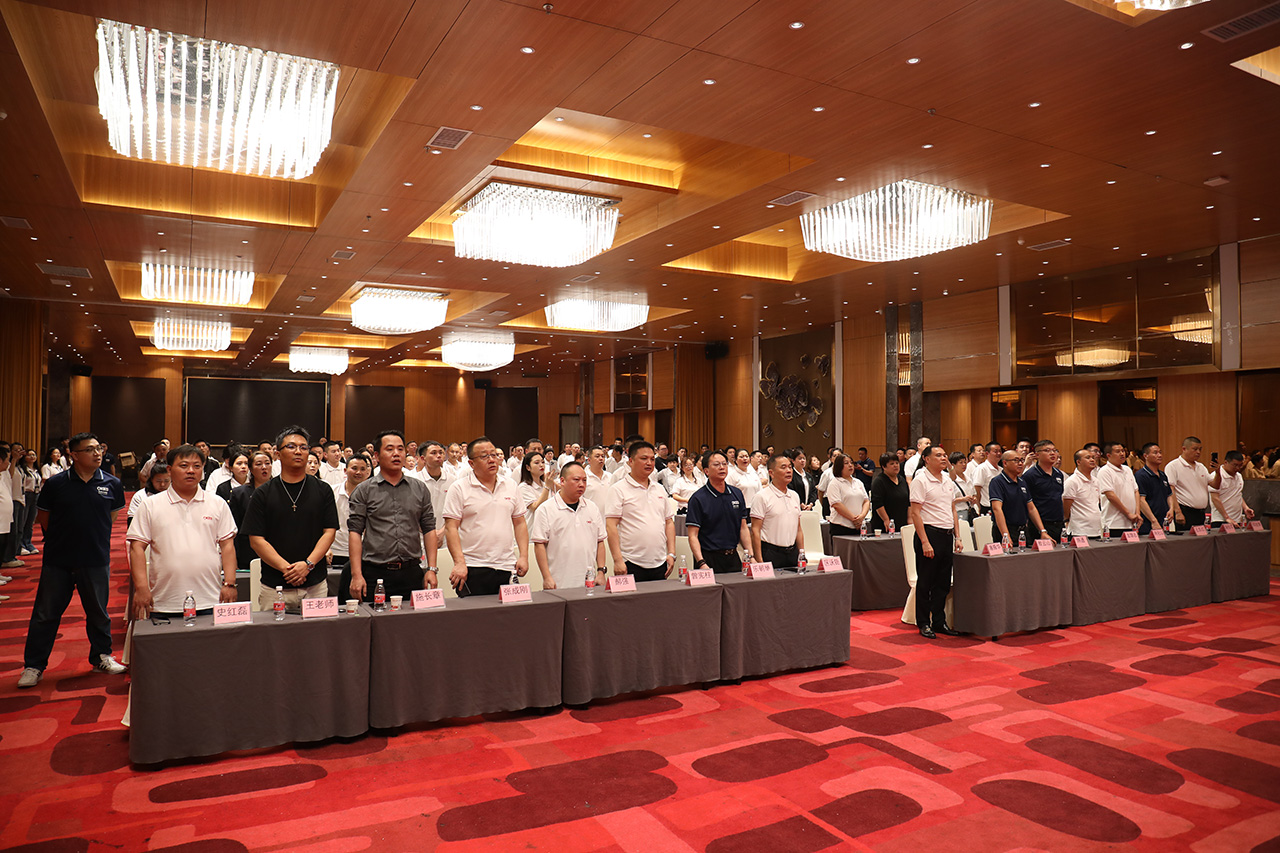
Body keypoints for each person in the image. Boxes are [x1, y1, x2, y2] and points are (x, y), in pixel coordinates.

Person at [18, 433, 126, 688]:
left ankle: (102, 656)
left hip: (95, 559)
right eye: (89, 450)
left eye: (98, 448)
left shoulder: (112, 483)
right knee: (45, 614)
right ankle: (34, 665)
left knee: (98, 612)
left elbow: (111, 517)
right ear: (74, 455)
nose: (97, 453)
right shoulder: (56, 484)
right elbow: (44, 518)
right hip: (59, 560)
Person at [126, 444, 237, 619]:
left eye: (197, 466)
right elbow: (137, 548)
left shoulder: (217, 503)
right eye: (184, 466)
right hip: (164, 600)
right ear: (170, 470)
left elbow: (227, 545)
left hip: (210, 598)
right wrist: (141, 588)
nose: (191, 471)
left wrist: (229, 584)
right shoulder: (150, 505)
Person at [242, 427, 339, 612]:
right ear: (278, 454)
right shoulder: (263, 493)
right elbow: (256, 540)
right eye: (291, 446)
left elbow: (329, 532)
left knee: (318, 630)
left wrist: (308, 565)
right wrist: (287, 569)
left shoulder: (323, 489)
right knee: (273, 631)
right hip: (275, 586)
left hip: (315, 584)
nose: (298, 451)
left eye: (303, 447)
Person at [346, 430, 439, 601]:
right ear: (376, 456)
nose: (396, 454)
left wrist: (431, 569)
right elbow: (355, 533)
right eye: (389, 449)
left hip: (411, 572)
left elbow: (429, 529)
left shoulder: (419, 488)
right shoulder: (364, 490)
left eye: (400, 449)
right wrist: (356, 575)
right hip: (375, 573)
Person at [442, 436, 528, 596]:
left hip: (507, 565)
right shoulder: (459, 488)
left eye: (493, 455)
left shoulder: (510, 485)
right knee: (474, 612)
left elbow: (520, 523)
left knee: (510, 611)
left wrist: (523, 556)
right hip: (472, 566)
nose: (492, 460)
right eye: (484, 456)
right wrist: (459, 562)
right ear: (471, 463)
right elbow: (451, 528)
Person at [908, 444, 963, 639]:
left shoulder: (947, 479)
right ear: (926, 459)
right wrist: (925, 542)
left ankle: (939, 622)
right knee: (926, 582)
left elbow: (952, 509)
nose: (943, 458)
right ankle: (924, 623)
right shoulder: (920, 480)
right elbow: (915, 513)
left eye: (944, 455)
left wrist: (958, 536)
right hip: (929, 534)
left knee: (943, 583)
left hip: (947, 535)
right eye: (938, 455)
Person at [604, 441, 676, 582]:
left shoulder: (659, 489)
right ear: (630, 461)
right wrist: (618, 560)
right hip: (631, 562)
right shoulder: (618, 489)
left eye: (652, 459)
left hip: (660, 562)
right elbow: (611, 526)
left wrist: (672, 553)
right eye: (644, 458)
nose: (649, 463)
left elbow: (669, 522)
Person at [529, 461, 607, 590]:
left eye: (584, 480)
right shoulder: (546, 509)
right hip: (559, 582)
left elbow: (600, 541)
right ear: (562, 481)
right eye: (576, 480)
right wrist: (546, 577)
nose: (581, 484)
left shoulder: (592, 507)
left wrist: (601, 571)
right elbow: (539, 545)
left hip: (589, 582)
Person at [686, 450, 753, 573]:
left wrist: (751, 556)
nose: (722, 467)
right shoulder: (698, 498)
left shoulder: (736, 493)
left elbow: (743, 527)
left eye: (724, 464)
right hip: (708, 558)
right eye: (716, 465)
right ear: (706, 471)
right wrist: (701, 562)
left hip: (733, 557)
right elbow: (693, 535)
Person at [750, 452, 804, 567]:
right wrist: (759, 560)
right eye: (783, 467)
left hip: (792, 552)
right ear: (771, 473)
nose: (788, 471)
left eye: (790, 467)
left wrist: (802, 554)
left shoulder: (794, 495)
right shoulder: (761, 496)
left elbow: (798, 529)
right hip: (771, 552)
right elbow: (755, 531)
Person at [989, 451, 1050, 546]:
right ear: (1005, 463)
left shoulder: (1022, 482)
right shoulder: (997, 482)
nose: (1021, 463)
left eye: (1022, 460)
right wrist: (1005, 536)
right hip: (1006, 530)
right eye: (1016, 460)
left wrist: (1042, 531)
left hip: (1023, 531)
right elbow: (997, 509)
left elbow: (1031, 508)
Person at [228, 451, 273, 571]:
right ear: (251, 469)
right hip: (247, 552)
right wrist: (234, 558)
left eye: (267, 463)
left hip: (276, 550)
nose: (264, 467)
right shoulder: (239, 493)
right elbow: (234, 528)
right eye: (259, 464)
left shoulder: (281, 491)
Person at [329, 452, 371, 575]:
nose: (358, 472)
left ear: (367, 473)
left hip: (363, 553)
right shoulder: (332, 491)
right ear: (345, 470)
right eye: (354, 468)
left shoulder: (373, 495)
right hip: (335, 551)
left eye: (362, 469)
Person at [1022, 439, 1065, 541]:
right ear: (1037, 455)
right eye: (1047, 450)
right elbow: (1027, 503)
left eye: (1054, 450)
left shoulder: (1058, 474)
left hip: (1058, 523)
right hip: (1039, 524)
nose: (1052, 453)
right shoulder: (1030, 475)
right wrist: (1041, 529)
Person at [1165, 436, 1211, 530]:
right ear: (1184, 449)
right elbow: (1170, 490)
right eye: (1195, 449)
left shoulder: (1201, 467)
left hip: (1201, 512)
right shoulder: (1173, 466)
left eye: (1200, 449)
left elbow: (1215, 485)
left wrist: (1217, 472)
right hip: (1185, 512)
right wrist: (1178, 512)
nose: (1198, 452)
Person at [1095, 442, 1141, 535]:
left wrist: (1137, 514)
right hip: (1114, 523)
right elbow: (1110, 495)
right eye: (1118, 451)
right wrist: (1128, 514)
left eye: (1123, 451)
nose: (1122, 454)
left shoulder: (1127, 469)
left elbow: (1136, 491)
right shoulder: (1104, 471)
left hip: (1131, 522)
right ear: (1109, 455)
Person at [1135, 443, 1175, 535]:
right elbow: (1141, 500)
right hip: (1148, 523)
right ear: (1145, 456)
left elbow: (1169, 495)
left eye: (1160, 452)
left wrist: (1171, 509)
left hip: (1163, 521)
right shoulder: (1141, 475)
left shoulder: (1162, 475)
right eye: (1155, 453)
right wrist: (1153, 521)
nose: (1159, 455)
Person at [826, 454, 870, 537]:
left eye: (851, 463)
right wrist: (854, 519)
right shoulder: (835, 483)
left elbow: (866, 501)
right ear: (839, 466)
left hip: (859, 526)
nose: (850, 465)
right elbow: (837, 505)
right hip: (841, 527)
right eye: (846, 463)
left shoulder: (858, 482)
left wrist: (862, 517)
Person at [1063, 448, 1103, 538]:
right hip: (1079, 530)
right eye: (1088, 458)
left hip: (1096, 529)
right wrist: (1067, 520)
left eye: (1093, 457)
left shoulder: (1096, 481)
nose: (1092, 460)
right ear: (1078, 462)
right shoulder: (1072, 481)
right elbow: (1066, 505)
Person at [1210, 450, 1254, 527]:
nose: (1237, 468)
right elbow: (1215, 498)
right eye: (1235, 465)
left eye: (1240, 465)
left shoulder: (1239, 476)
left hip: (1237, 520)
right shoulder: (1216, 476)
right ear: (1226, 462)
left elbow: (1238, 494)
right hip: (1221, 520)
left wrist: (1246, 508)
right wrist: (1227, 517)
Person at [870, 452, 910, 533]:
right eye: (892, 464)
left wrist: (910, 519)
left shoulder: (902, 480)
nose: (895, 466)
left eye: (897, 463)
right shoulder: (879, 481)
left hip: (902, 522)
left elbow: (908, 501)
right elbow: (878, 504)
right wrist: (886, 519)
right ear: (884, 467)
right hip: (884, 525)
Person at [127, 462, 171, 527]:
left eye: (166, 481)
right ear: (151, 480)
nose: (162, 484)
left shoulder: (178, 495)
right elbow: (132, 522)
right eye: (158, 481)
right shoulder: (140, 496)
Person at [16, 449, 41, 556]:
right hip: (26, 495)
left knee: (30, 522)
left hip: (36, 495)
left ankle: (28, 543)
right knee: (23, 521)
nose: (32, 457)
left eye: (34, 455)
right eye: (29, 455)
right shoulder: (22, 469)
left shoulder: (37, 470)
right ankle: (20, 545)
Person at [972, 442, 1002, 515]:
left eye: (1000, 451)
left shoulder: (1001, 470)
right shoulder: (981, 468)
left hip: (1000, 506)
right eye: (995, 451)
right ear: (987, 453)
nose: (998, 453)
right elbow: (977, 490)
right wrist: (978, 508)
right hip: (986, 507)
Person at [948, 451, 976, 524]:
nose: (964, 465)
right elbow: (948, 501)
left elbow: (974, 493)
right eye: (961, 463)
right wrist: (963, 499)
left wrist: (974, 498)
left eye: (965, 462)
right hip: (958, 511)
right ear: (953, 465)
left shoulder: (968, 478)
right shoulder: (950, 480)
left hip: (970, 510)